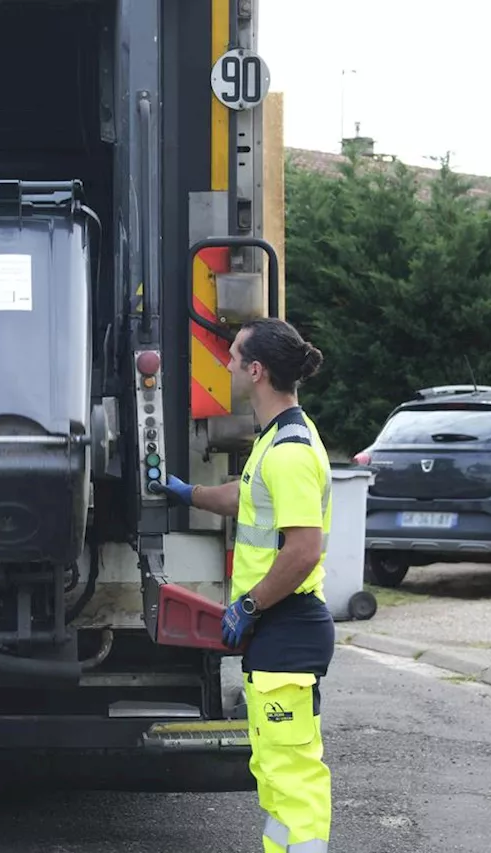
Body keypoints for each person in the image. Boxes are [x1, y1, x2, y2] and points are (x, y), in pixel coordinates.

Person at [155, 316, 335, 853]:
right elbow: (245, 497)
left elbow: (304, 549)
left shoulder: (291, 452)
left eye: (233, 356)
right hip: (276, 630)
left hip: (286, 626)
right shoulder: (275, 440)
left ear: (256, 370)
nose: (227, 364)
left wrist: (250, 606)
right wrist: (189, 495)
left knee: (292, 775)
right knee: (274, 770)